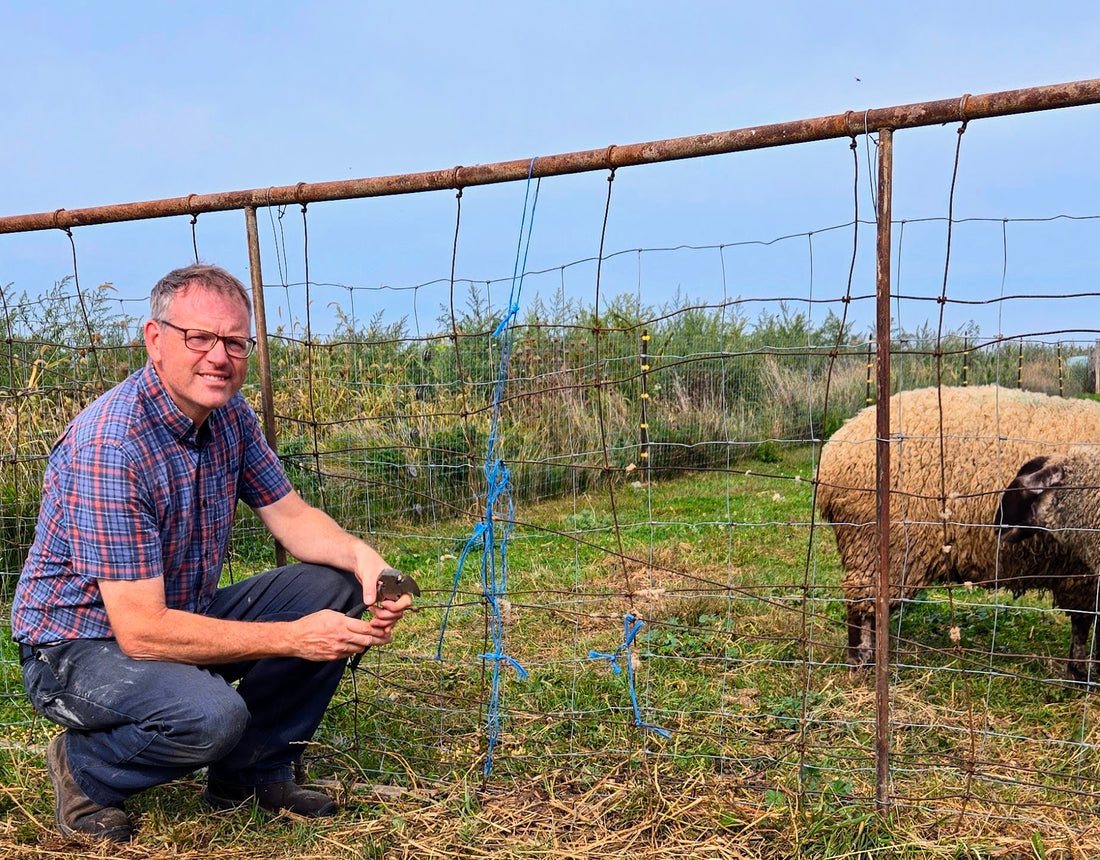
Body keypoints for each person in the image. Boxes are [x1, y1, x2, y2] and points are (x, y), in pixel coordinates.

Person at [11, 263, 413, 843]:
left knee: (336, 586)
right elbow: (142, 633)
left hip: (169, 614)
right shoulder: (112, 446)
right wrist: (295, 638)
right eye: (198, 338)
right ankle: (85, 769)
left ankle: (249, 773)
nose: (218, 357)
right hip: (77, 646)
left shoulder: (228, 415)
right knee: (212, 716)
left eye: (235, 342)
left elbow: (293, 519)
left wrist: (365, 559)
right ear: (155, 339)